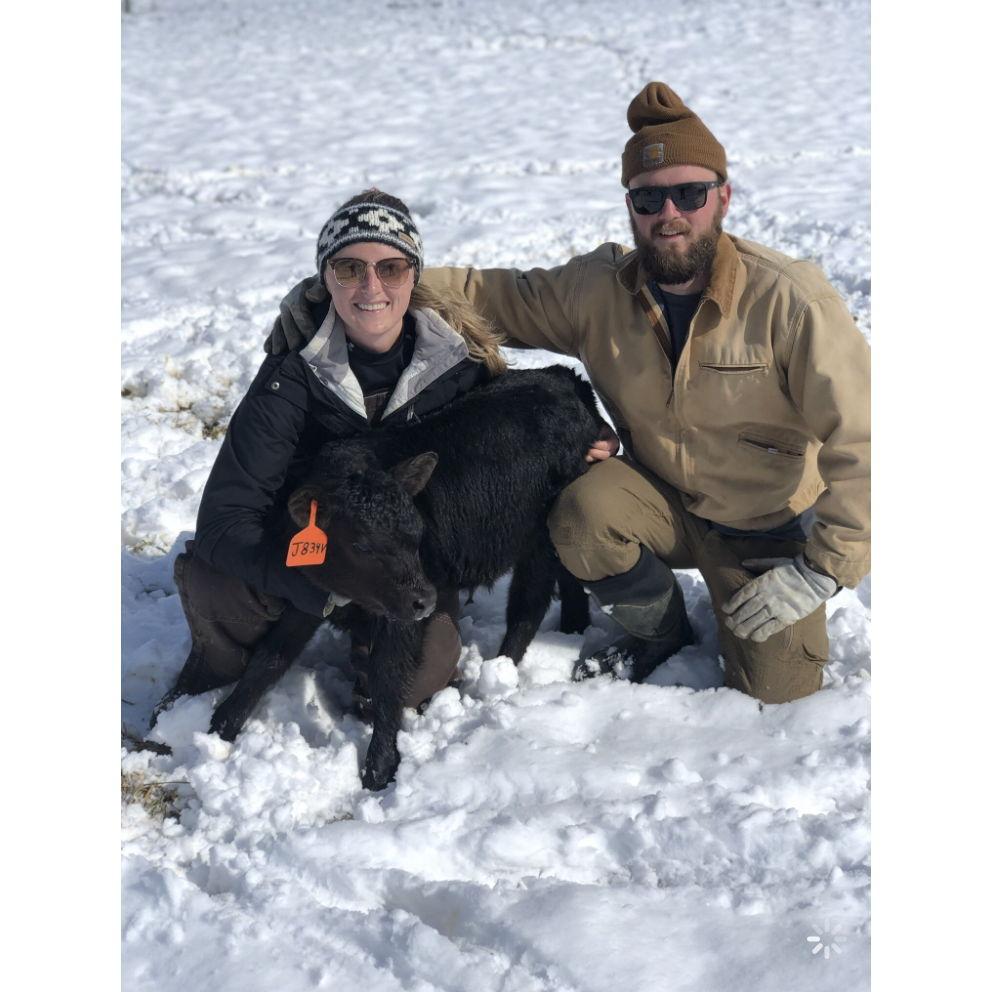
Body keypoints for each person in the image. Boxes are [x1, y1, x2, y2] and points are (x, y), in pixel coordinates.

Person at [267, 83, 870, 705]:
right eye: (648, 197)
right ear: (630, 204)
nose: (670, 214)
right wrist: (342, 284)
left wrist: (821, 570)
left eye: (690, 194)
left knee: (778, 694)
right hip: (658, 497)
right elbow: (483, 292)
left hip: (763, 526)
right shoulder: (599, 288)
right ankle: (659, 631)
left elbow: (869, 440)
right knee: (580, 515)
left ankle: (751, 601)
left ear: (723, 198)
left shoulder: (793, 302)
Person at [168, 188, 512, 717]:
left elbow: (510, 440)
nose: (372, 286)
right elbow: (224, 520)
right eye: (350, 268)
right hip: (306, 558)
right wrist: (315, 588)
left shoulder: (458, 372)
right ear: (324, 280)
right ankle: (212, 678)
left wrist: (587, 443)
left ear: (414, 276)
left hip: (401, 569)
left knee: (418, 674)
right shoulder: (291, 375)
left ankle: (370, 651)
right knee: (220, 588)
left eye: (392, 267)